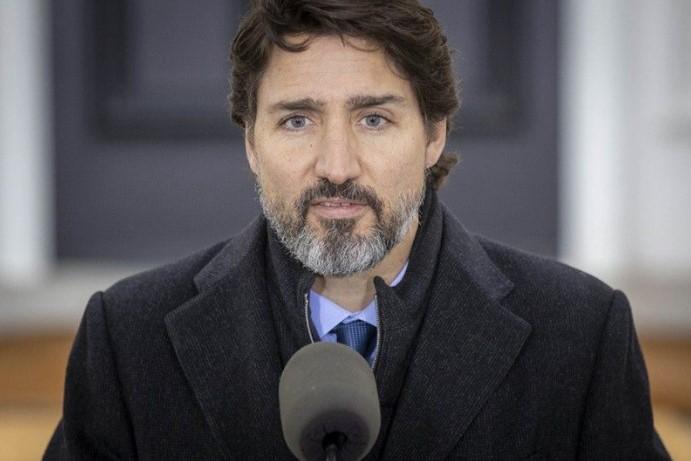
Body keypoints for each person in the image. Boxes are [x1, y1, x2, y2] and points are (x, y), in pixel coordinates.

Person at [45, 1, 670, 459]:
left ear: (433, 133)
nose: (336, 167)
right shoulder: (128, 339)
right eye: (296, 121)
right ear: (251, 143)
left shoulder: (581, 335)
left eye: (373, 119)